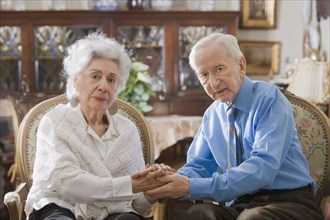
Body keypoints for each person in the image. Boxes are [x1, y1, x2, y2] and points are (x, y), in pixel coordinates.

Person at [144, 33, 324, 219]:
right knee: (198, 214)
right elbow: (199, 166)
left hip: (289, 202)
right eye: (204, 75)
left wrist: (192, 186)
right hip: (241, 205)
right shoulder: (212, 115)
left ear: (241, 65)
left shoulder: (269, 99)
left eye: (219, 69)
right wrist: (168, 180)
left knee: (252, 218)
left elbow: (263, 168)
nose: (213, 82)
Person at [25, 33, 173, 220]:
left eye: (111, 80)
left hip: (111, 212)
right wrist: (130, 185)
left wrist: (150, 189)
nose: (104, 86)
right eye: (95, 76)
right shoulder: (55, 121)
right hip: (60, 206)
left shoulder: (127, 130)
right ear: (76, 81)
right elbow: (68, 184)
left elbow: (135, 204)